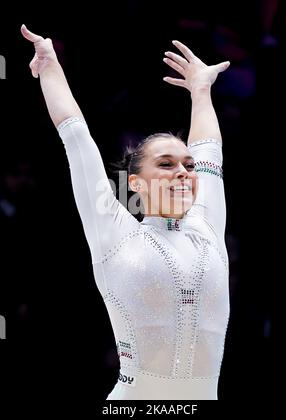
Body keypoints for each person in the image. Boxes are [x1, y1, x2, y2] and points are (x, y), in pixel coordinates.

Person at [21, 24, 230, 400]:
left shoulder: (207, 227)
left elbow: (209, 149)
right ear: (135, 183)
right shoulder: (116, 233)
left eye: (187, 165)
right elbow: (77, 139)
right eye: (165, 164)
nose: (183, 172)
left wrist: (201, 92)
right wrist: (51, 68)